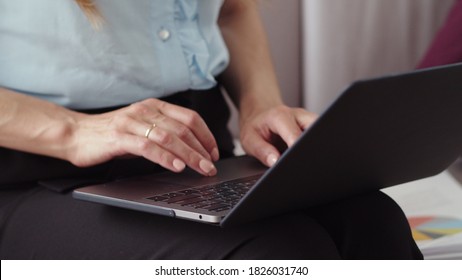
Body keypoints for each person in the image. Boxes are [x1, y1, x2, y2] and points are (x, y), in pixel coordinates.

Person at [0, 0, 422, 259]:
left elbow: (230, 9)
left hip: (195, 154)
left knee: (373, 221)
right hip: (38, 173)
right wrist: (74, 132)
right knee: (277, 258)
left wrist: (260, 105)